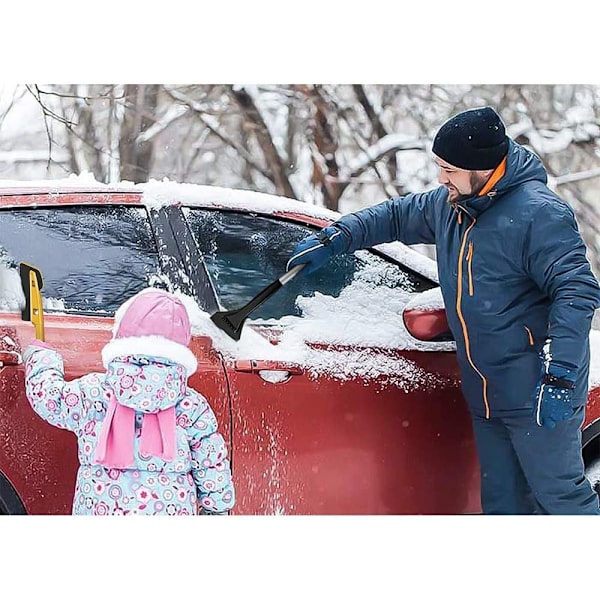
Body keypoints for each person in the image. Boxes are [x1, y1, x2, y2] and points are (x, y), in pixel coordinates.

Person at [287, 106, 600, 515]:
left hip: (538, 392)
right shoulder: (450, 206)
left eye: (449, 169)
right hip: (487, 396)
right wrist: (338, 237)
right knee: (505, 507)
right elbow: (395, 215)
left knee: (562, 501)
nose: (440, 178)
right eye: (439, 166)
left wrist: (559, 373)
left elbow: (576, 291)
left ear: (483, 168)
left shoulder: (539, 214)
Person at [23, 287, 235, 515]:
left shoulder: (94, 392)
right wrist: (216, 510)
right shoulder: (191, 407)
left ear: (122, 335)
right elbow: (212, 464)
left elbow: (49, 399)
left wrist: (41, 358)